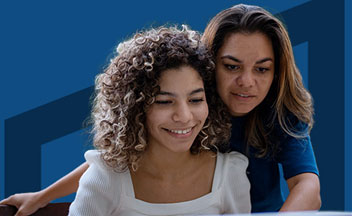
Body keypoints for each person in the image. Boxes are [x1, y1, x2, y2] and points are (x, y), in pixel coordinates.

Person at [0, 3, 321, 214]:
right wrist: (44, 195)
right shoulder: (191, 111)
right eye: (232, 67)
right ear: (209, 68)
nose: (247, 82)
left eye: (262, 69)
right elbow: (116, 160)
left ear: (276, 71)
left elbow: (307, 185)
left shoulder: (277, 115)